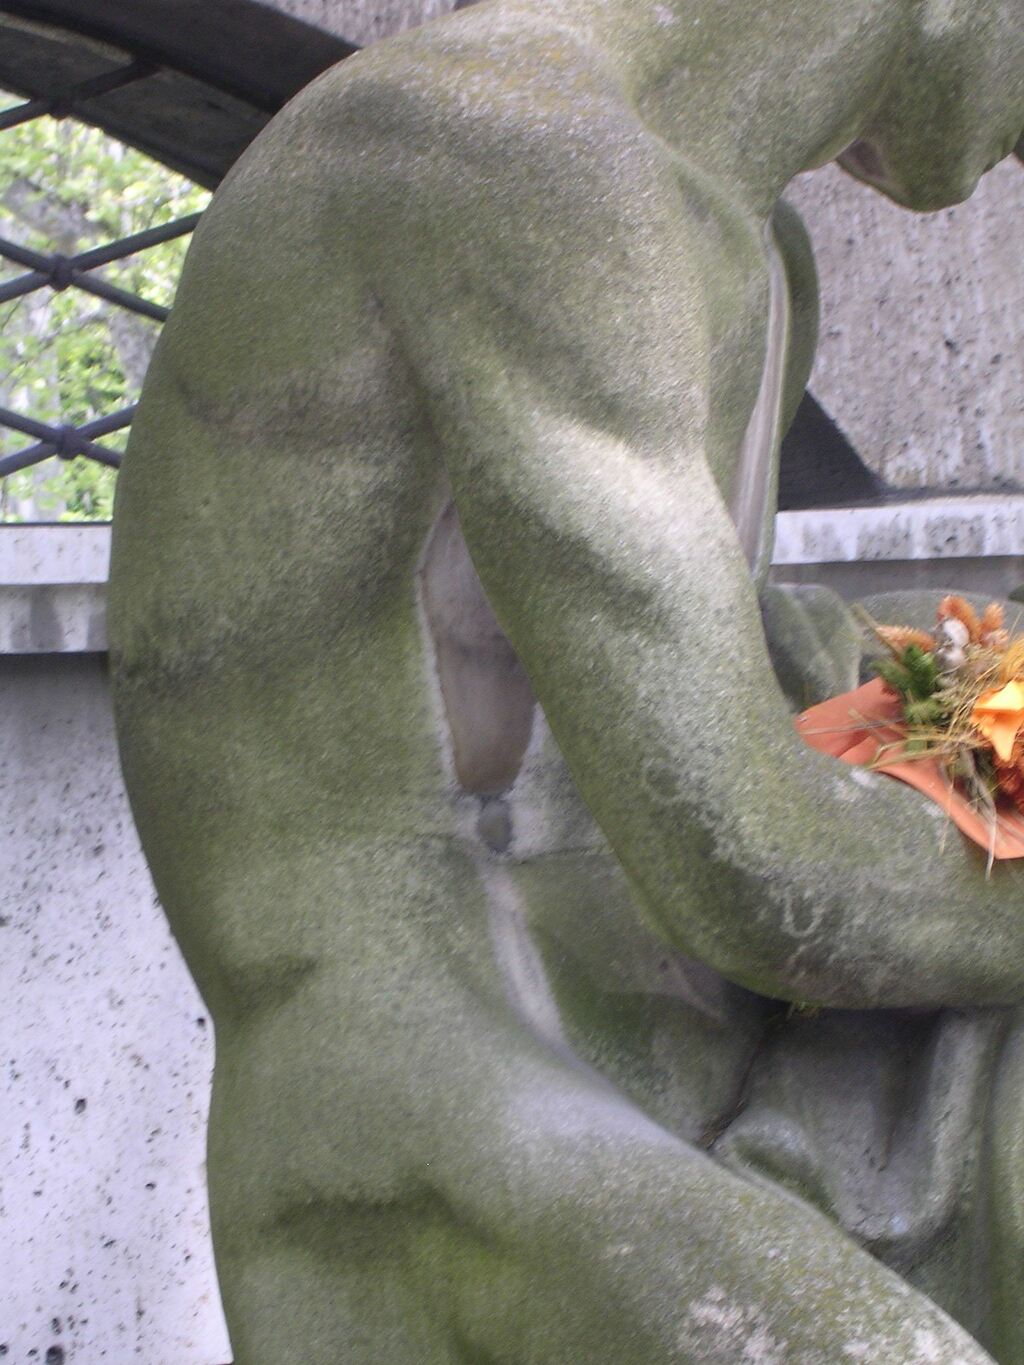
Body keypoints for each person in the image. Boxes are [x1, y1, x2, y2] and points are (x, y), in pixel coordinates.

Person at [109, 1, 1024, 1359]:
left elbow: (716, 682)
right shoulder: (499, 155)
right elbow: (748, 858)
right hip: (447, 1110)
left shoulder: (759, 259)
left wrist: (953, 679)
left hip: (727, 1059)